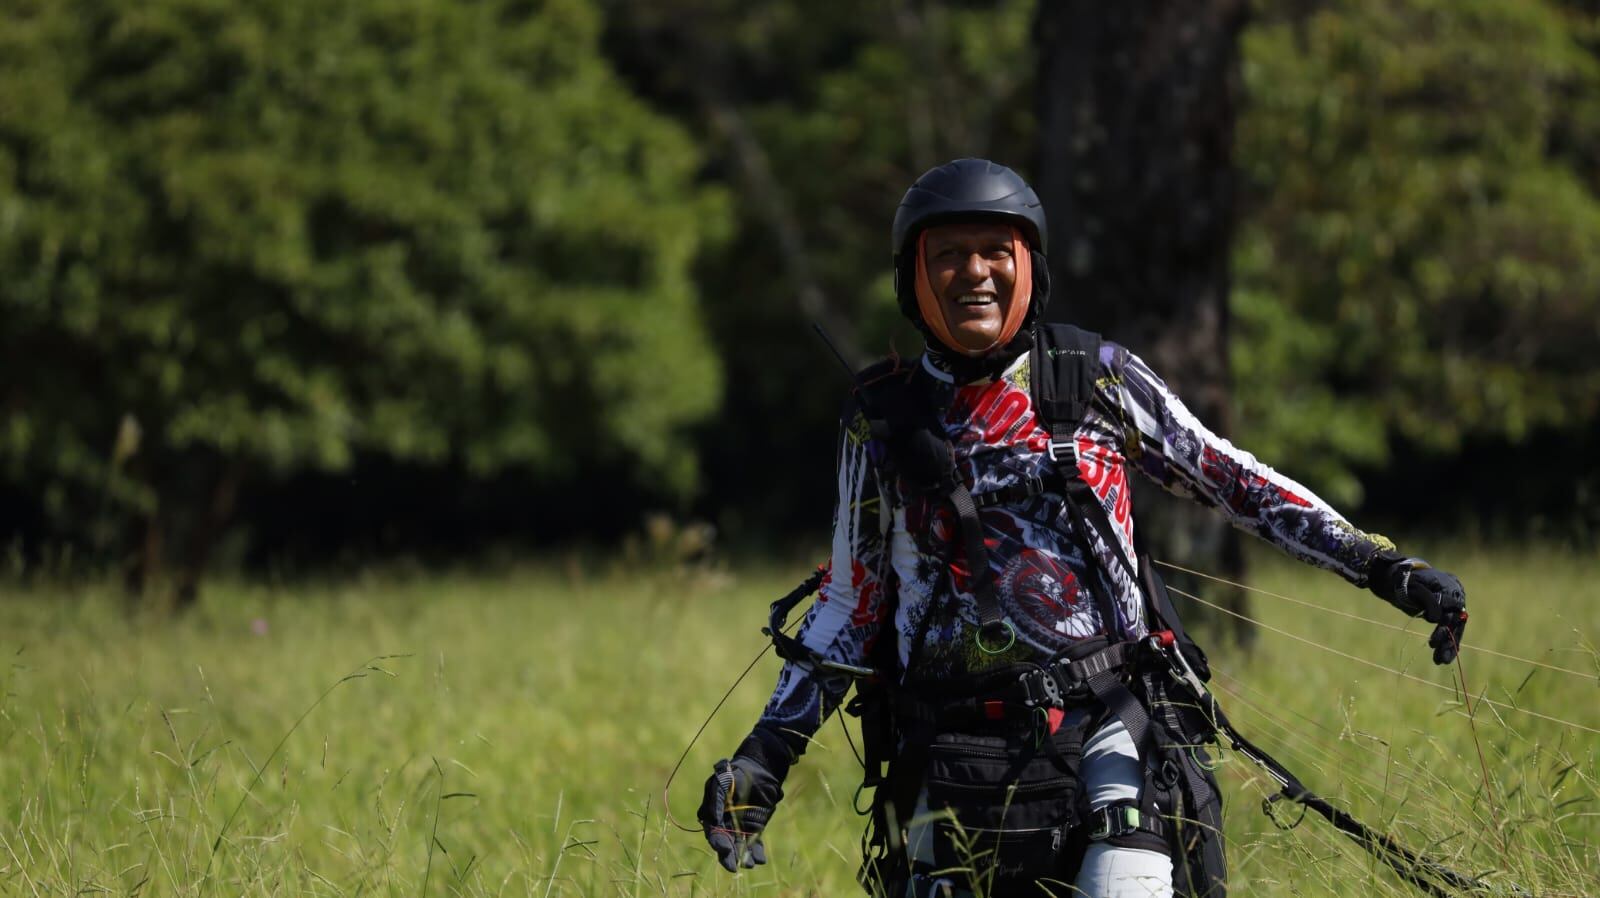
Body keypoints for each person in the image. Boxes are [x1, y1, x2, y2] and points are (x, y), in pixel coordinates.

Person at [698, 158, 1468, 898]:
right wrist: (765, 758)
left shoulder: (1096, 376)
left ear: (1030, 265)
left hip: (1110, 729)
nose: (974, 273)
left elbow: (1233, 480)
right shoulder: (881, 417)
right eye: (949, 254)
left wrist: (1381, 566)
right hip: (945, 758)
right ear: (914, 277)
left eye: (995, 251)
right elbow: (852, 603)